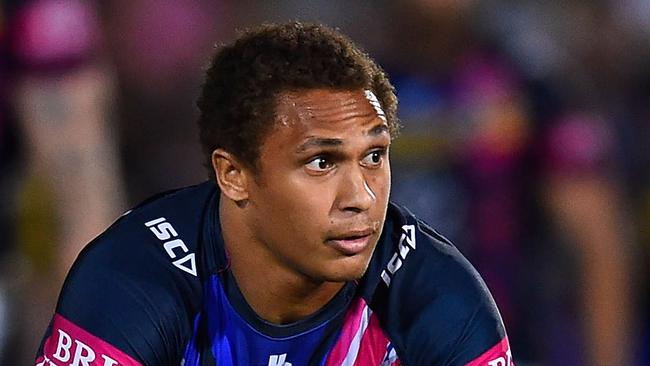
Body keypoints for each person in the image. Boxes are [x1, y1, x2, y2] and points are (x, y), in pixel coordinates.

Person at [35, 22, 513, 365]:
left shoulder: (435, 293)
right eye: (322, 162)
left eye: (374, 156)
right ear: (233, 175)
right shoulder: (134, 278)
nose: (362, 198)